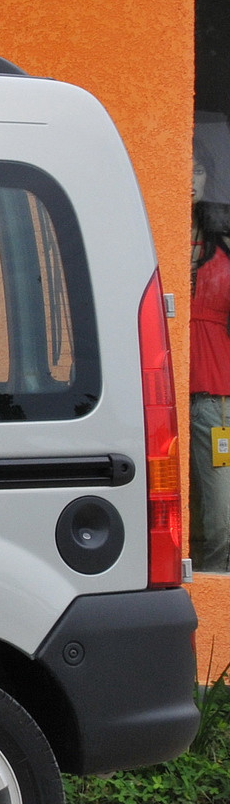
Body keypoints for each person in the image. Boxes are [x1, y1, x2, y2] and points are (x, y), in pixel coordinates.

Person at [192, 192, 230, 573]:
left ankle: (218, 577)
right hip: (164, 392)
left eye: (203, 170)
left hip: (214, 394)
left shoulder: (224, 250)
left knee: (218, 500)